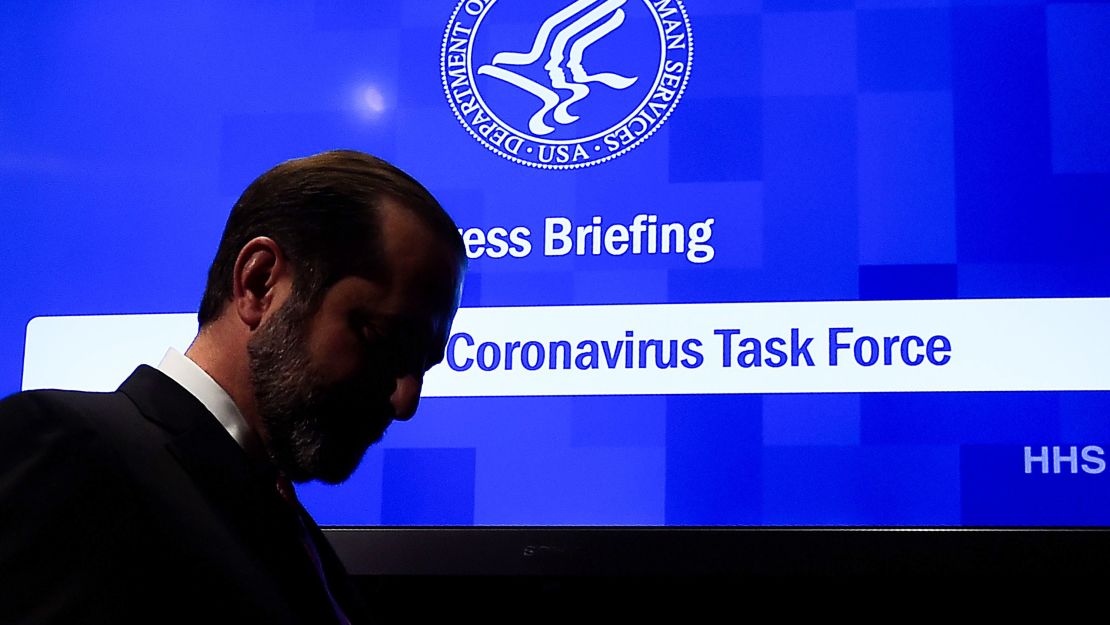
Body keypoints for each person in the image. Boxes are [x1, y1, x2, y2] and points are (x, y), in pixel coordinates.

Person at [0, 150, 466, 624]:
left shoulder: (305, 547)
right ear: (259, 283)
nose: (406, 400)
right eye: (385, 340)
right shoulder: (75, 451)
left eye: (421, 365)